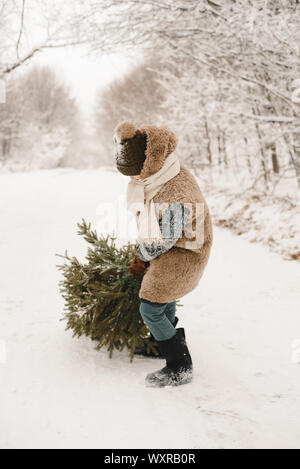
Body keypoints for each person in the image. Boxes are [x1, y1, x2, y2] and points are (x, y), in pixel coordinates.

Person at [114, 121, 213, 387]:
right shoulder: (161, 176)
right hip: (173, 249)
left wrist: (141, 255)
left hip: (186, 254)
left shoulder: (178, 193)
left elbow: (161, 240)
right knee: (163, 298)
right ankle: (160, 343)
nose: (132, 179)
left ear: (149, 164)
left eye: (135, 174)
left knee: (150, 306)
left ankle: (180, 364)